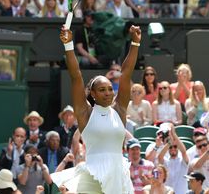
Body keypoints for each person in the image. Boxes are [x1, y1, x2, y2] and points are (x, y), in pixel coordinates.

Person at [53, 24, 141, 193]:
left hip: (117, 175)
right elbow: (76, 75)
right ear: (92, 94)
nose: (108, 93)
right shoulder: (85, 113)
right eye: (102, 90)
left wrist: (135, 44)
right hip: (92, 176)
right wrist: (68, 45)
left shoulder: (120, 110)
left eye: (109, 89)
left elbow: (126, 73)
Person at [158, 124, 189, 194]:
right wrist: (169, 143)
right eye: (170, 147)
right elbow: (160, 157)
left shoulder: (182, 160)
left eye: (175, 147)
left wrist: (174, 134)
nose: (173, 149)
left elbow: (183, 151)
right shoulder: (166, 161)